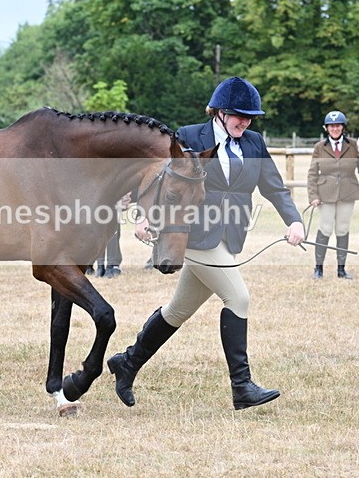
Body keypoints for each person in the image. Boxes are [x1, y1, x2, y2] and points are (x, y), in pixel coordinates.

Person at [107, 77, 305, 410]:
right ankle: (242, 387)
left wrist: (294, 220)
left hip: (231, 235)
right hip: (193, 234)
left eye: (250, 116)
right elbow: (155, 177)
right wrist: (142, 217)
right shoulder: (187, 137)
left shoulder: (254, 142)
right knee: (238, 297)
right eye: (238, 115)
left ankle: (127, 362)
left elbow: (274, 187)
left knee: (178, 310)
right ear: (219, 112)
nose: (245, 121)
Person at [307, 110, 359, 279]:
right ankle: (318, 268)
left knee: (342, 229)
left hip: (347, 192)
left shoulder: (352, 145)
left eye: (338, 125)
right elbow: (312, 174)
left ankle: (341, 269)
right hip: (325, 194)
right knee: (325, 229)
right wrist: (313, 196)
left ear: (343, 127)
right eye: (332, 126)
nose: (335, 129)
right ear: (327, 128)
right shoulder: (319, 147)